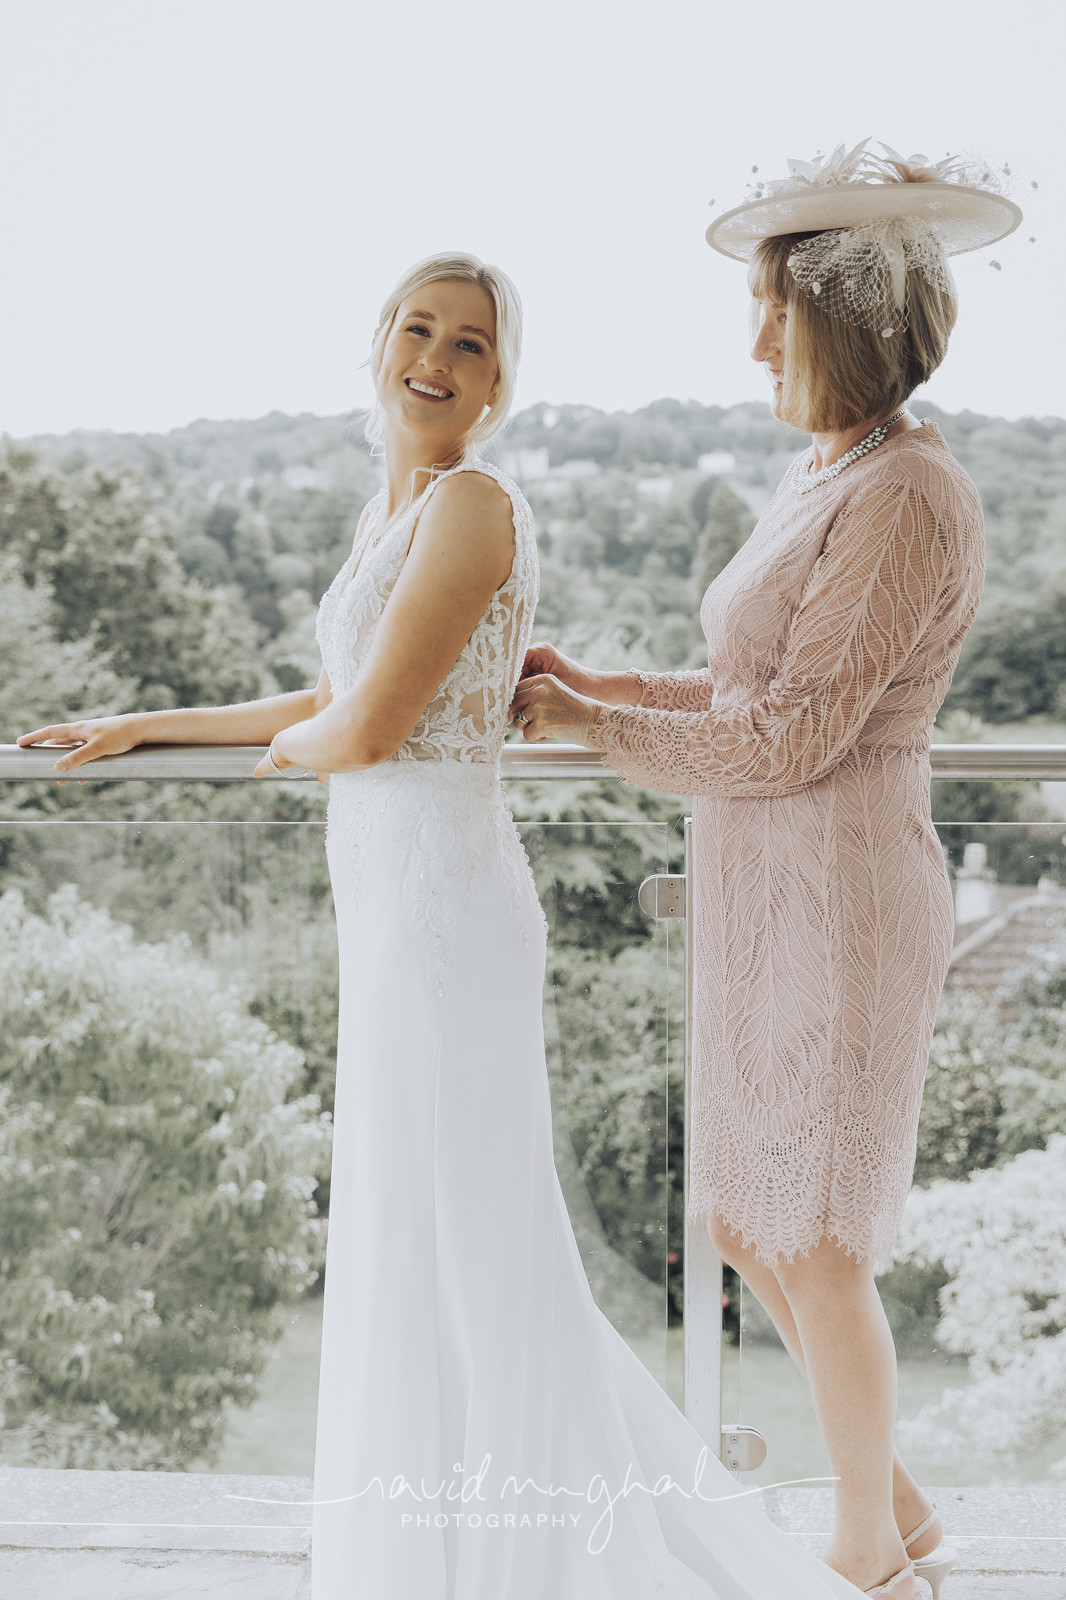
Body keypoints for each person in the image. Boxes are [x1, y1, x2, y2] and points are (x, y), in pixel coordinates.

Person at [19, 251, 867, 1600]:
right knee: (418, 1238)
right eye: (417, 329)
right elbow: (331, 698)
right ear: (379, 346)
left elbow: (360, 732)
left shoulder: (473, 506)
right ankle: (439, 1546)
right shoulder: (391, 512)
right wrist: (147, 724)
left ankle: (526, 1554)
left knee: (479, 1243)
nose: (435, 358)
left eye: (469, 343)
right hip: (389, 903)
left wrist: (288, 753)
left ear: (497, 383)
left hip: (444, 917)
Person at [509, 144, 1023, 1600]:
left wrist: (592, 728)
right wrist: (606, 685)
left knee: (818, 1233)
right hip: (765, 894)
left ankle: (868, 1550)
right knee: (748, 1217)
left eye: (770, 317)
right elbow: (756, 684)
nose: (751, 348)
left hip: (841, 899)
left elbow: (795, 734)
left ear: (842, 327)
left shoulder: (906, 493)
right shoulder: (828, 471)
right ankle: (896, 1500)